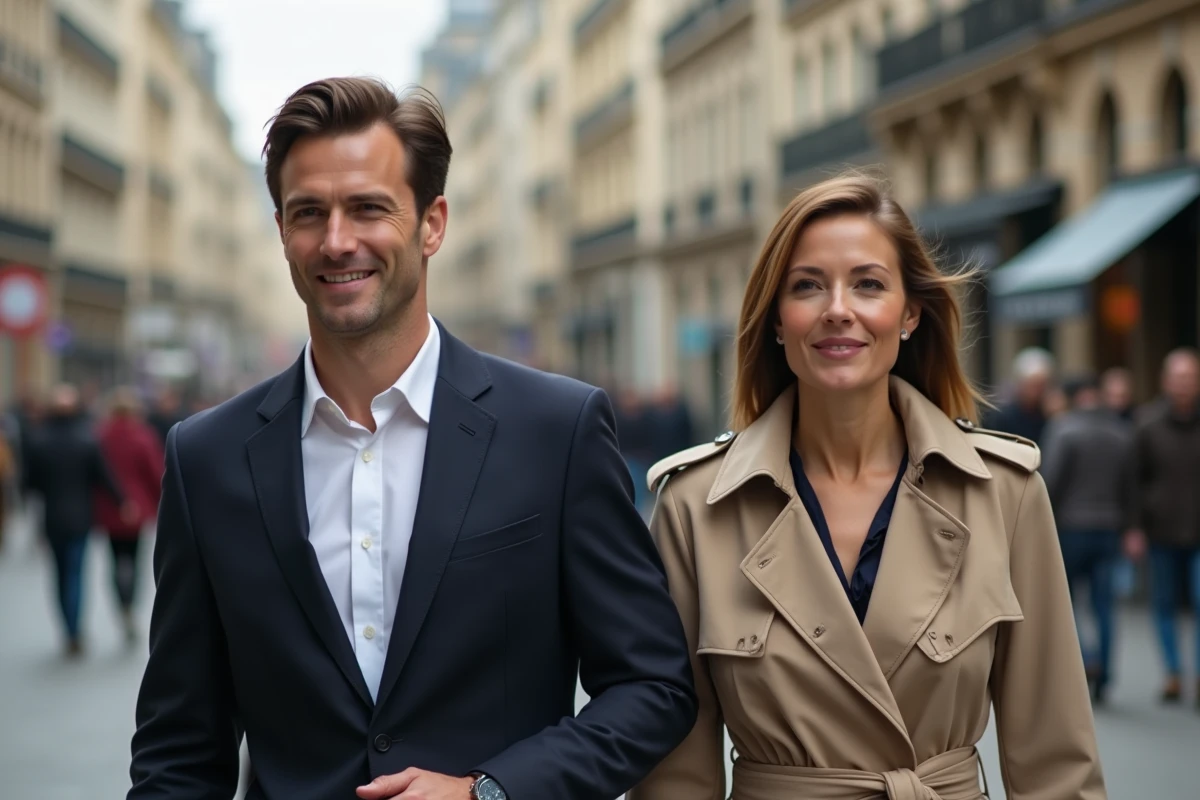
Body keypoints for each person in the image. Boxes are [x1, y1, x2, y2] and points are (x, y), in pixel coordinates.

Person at [128, 77, 696, 800]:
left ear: (432, 223)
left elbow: (653, 686)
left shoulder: (556, 429)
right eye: (309, 213)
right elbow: (180, 744)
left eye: (368, 208)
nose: (337, 241)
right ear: (281, 232)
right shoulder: (206, 457)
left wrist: (489, 791)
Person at [630, 174, 1105, 799]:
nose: (837, 308)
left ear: (909, 313)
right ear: (777, 318)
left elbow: (1057, 765)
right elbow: (677, 775)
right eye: (807, 286)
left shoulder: (1004, 493)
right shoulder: (695, 506)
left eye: (868, 284)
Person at [1040, 374, 1134, 703]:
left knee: (1067, 603)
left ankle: (1086, 658)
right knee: (1105, 605)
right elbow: (1129, 486)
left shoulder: (1063, 429)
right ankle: (1105, 674)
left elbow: (1049, 482)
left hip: (1072, 529)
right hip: (1110, 529)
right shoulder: (1120, 432)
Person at [23, 383, 132, 656]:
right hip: (81, 517)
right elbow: (104, 477)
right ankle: (75, 629)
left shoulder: (40, 441)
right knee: (76, 573)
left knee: (60, 574)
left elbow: (30, 483)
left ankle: (68, 628)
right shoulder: (87, 440)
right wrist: (122, 502)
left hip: (53, 518)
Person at [1126, 347, 1200, 706]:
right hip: (1161, 530)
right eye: (1178, 377)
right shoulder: (1148, 424)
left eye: (1190, 377)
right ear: (1165, 381)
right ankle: (1173, 674)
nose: (1184, 384)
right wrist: (1134, 528)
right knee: (1165, 604)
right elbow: (1134, 480)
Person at [93, 388, 164, 644]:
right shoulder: (142, 437)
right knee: (134, 561)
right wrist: (161, 505)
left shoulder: (101, 436)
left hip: (110, 508)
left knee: (115, 560)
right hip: (138, 508)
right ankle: (130, 605)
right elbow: (156, 474)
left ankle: (122, 604)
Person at [983, 347, 1056, 444]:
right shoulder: (1003, 417)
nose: (1039, 391)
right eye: (1034, 385)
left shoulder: (1050, 414)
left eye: (1042, 385)